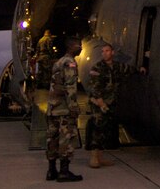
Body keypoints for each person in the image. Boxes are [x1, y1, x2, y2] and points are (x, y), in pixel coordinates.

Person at [87, 43, 144, 168]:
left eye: (107, 51)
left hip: (110, 102)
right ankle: (94, 158)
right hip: (99, 103)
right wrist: (101, 104)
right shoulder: (97, 68)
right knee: (98, 129)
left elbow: (129, 69)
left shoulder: (117, 66)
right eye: (103, 51)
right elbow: (95, 88)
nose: (105, 53)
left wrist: (140, 69)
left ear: (112, 52)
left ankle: (100, 157)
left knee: (105, 130)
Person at [45, 37, 83, 182]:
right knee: (66, 138)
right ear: (71, 47)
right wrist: (73, 107)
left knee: (52, 139)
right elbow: (70, 87)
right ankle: (64, 172)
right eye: (78, 45)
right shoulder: (70, 63)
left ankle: (51, 170)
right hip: (64, 110)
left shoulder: (58, 62)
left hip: (52, 108)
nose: (80, 48)